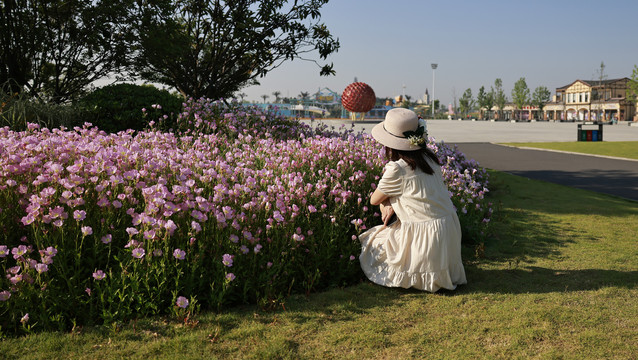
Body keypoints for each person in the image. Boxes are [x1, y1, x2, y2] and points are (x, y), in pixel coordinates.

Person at [359, 108, 467, 292]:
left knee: (372, 241)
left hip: (426, 240)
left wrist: (387, 202)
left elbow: (374, 200)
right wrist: (392, 200)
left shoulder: (398, 168)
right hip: (448, 231)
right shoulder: (430, 160)